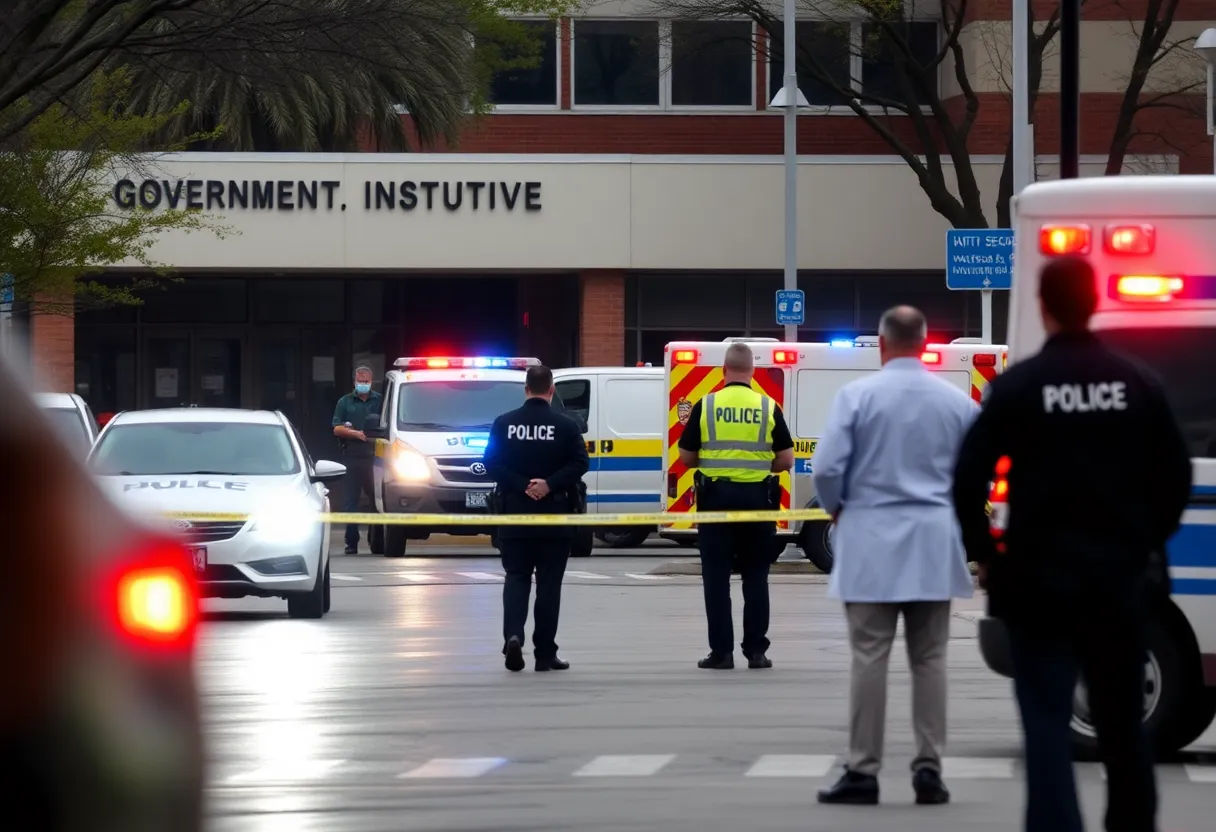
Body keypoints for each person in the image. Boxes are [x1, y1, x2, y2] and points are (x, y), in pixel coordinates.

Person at [952, 257, 1192, 832]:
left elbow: (966, 479)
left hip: (1035, 586)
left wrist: (986, 552)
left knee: (1045, 723)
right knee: (1121, 722)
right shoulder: (1137, 382)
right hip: (1118, 581)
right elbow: (1176, 475)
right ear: (1094, 303)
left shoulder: (1019, 387)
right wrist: (1144, 542)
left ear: (1042, 304)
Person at [812, 306, 977, 807]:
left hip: (871, 540)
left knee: (869, 656)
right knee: (930, 660)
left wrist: (841, 511)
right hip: (933, 540)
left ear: (881, 345)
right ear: (925, 345)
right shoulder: (956, 403)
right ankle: (929, 769)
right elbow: (976, 476)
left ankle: (863, 769)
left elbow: (826, 469)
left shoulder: (857, 397)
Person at [676, 342, 795, 670]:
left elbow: (686, 457)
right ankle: (756, 652)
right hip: (758, 504)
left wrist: (715, 464)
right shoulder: (768, 406)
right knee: (756, 578)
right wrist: (757, 467)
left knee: (716, 580)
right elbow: (786, 460)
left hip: (716, 504)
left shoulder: (706, 404)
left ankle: (722, 653)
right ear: (752, 372)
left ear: (724, 371)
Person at [483, 365, 589, 673]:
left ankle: (514, 636)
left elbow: (491, 462)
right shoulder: (566, 425)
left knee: (516, 578)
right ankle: (545, 653)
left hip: (515, 514)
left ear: (526, 388)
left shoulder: (504, 424)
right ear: (551, 390)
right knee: (549, 585)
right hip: (555, 517)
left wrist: (521, 485)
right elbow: (581, 463)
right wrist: (549, 484)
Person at [331, 366, 383, 555]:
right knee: (350, 501)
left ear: (371, 381)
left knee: (376, 501)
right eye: (360, 381)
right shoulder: (345, 402)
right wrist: (354, 434)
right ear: (354, 381)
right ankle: (351, 543)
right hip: (352, 455)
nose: (363, 384)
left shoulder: (380, 400)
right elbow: (336, 428)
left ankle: (377, 540)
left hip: (375, 457)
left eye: (366, 381)